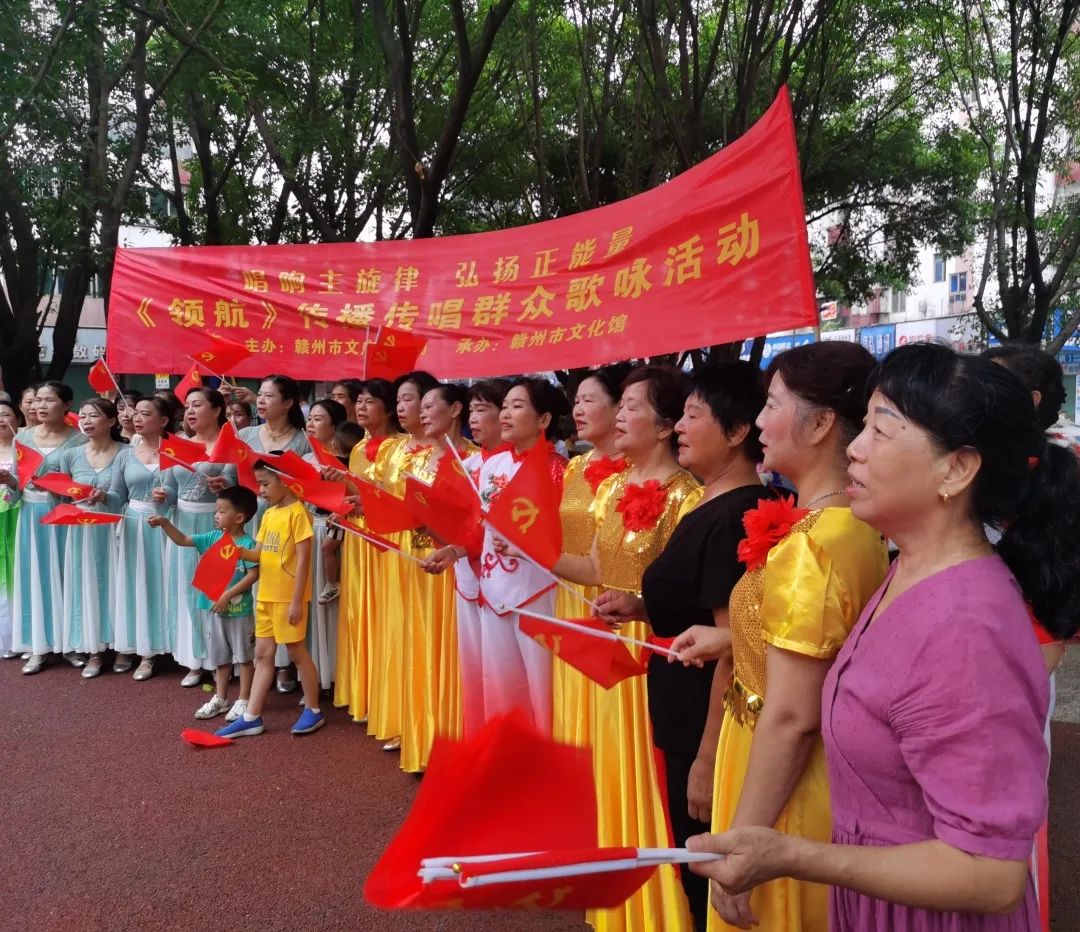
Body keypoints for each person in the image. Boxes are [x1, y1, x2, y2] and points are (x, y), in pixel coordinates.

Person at [688, 343, 1078, 931]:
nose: (854, 448)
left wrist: (794, 855)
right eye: (864, 424)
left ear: (957, 469)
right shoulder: (910, 569)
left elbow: (991, 875)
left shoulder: (967, 627)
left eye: (881, 430)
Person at [672, 342, 887, 931]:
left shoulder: (813, 546)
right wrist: (730, 639)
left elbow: (792, 715)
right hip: (780, 765)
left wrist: (745, 841)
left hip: (779, 782)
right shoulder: (838, 526)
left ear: (819, 424)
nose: (760, 421)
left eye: (772, 405)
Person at [593, 362, 773, 932]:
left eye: (694, 416)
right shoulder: (708, 504)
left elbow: (733, 645)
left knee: (702, 860)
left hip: (701, 718)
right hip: (677, 703)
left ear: (737, 431)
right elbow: (703, 608)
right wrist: (641, 606)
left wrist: (706, 758)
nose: (681, 427)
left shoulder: (735, 515)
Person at [553, 365, 701, 932]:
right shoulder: (612, 487)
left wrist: (640, 606)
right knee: (612, 763)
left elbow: (687, 597)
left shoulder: (686, 497)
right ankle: (619, 894)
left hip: (655, 648)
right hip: (611, 641)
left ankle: (662, 907)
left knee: (651, 768)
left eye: (632, 406)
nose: (619, 415)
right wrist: (526, 547)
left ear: (665, 426)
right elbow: (595, 567)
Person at [425, 378, 569, 735]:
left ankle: (545, 760)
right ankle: (507, 754)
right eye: (504, 406)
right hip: (494, 588)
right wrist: (454, 550)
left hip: (537, 590)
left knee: (542, 684)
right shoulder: (491, 466)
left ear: (544, 419)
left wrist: (529, 545)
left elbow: (565, 537)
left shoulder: (558, 470)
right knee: (499, 682)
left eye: (517, 406)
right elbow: (480, 530)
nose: (506, 414)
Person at [422, 378, 510, 738]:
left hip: (510, 582)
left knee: (509, 672)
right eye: (471, 409)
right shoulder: (466, 463)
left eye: (482, 409)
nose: (474, 418)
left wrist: (457, 545)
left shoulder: (527, 465)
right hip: (468, 576)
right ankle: (480, 739)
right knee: (476, 668)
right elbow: (455, 522)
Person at [397, 382, 477, 771]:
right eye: (422, 407)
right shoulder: (420, 458)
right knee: (424, 648)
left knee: (456, 654)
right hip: (422, 562)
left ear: (456, 409)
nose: (423, 413)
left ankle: (457, 742)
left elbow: (476, 525)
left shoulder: (474, 461)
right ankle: (426, 737)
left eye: (431, 406)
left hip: (458, 567)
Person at [216, 458, 323, 737]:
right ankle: (252, 716)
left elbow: (304, 559)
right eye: (259, 484)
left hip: (288, 597)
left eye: (264, 484)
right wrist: (238, 551)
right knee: (263, 654)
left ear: (284, 481)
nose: (260, 490)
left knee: (297, 652)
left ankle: (313, 709)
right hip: (266, 595)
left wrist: (297, 601)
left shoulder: (298, 513)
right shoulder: (269, 514)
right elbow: (259, 554)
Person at [554, 363, 631, 748]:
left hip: (618, 606)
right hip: (572, 594)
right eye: (576, 401)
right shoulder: (575, 467)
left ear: (620, 407)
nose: (578, 410)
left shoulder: (637, 472)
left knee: (613, 716)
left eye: (588, 400)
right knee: (576, 704)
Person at [367, 370, 441, 755]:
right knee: (399, 633)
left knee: (431, 638)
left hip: (434, 553)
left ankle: (435, 724)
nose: (402, 406)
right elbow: (380, 495)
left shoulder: (456, 454)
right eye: (399, 399)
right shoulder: (391, 449)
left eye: (409, 399)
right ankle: (405, 719)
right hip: (396, 552)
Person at [324, 378, 399, 730]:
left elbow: (393, 499)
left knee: (385, 615)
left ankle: (389, 696)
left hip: (387, 537)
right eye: (361, 402)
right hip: (358, 537)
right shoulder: (357, 449)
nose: (362, 407)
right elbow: (356, 493)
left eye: (371, 402)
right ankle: (365, 692)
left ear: (389, 408)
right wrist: (339, 492)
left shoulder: (401, 448)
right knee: (359, 611)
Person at [150, 486, 260, 721]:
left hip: (240, 612)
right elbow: (182, 540)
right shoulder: (212, 538)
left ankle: (244, 700)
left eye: (222, 511)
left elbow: (253, 575)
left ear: (239, 517)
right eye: (216, 511)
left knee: (244, 658)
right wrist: (165, 523)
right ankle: (221, 698)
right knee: (220, 658)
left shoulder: (248, 545)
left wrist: (227, 595)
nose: (216, 515)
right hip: (216, 611)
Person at [157, 387, 235, 686]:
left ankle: (222, 658)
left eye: (197, 405)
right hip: (183, 523)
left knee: (215, 588)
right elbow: (170, 489)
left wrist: (224, 484)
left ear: (216, 410)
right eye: (187, 406)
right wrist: (162, 495)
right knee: (186, 588)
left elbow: (238, 484)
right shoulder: (177, 445)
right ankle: (194, 658)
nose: (190, 411)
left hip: (215, 523)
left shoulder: (228, 445)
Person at [239, 375, 311, 692]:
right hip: (252, 516)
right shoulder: (245, 435)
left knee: (285, 585)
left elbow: (308, 485)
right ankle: (258, 661)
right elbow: (234, 475)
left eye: (269, 396)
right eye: (260, 395)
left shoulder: (303, 440)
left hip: (286, 521)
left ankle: (286, 666)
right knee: (258, 586)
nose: (261, 400)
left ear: (288, 402)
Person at [13, 381, 87, 674]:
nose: (40, 406)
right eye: (37, 400)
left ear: (67, 405)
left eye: (49, 400)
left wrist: (57, 489)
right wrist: (10, 483)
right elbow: (18, 482)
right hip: (31, 514)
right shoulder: (23, 437)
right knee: (35, 576)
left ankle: (71, 643)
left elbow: (80, 485)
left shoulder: (79, 440)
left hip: (63, 514)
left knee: (67, 574)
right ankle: (38, 645)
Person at [59, 398, 125, 678]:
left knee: (118, 583)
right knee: (85, 585)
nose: (86, 421)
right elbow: (63, 496)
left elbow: (128, 495)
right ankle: (94, 648)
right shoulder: (70, 455)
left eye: (93, 416)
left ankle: (123, 645)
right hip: (82, 529)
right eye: (83, 416)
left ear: (111, 421)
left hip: (115, 528)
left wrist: (106, 496)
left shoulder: (126, 452)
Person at [111, 397, 173, 680]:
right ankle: (145, 651)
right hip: (135, 524)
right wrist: (99, 496)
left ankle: (176, 645)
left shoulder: (177, 451)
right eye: (135, 413)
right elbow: (117, 495)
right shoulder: (125, 454)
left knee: (168, 582)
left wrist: (169, 496)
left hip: (168, 524)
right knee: (138, 584)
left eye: (145, 414)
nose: (137, 418)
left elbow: (186, 490)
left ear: (163, 421)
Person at [303, 397, 349, 692]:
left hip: (338, 530)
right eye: (310, 418)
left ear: (335, 427)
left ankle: (339, 674)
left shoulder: (347, 459)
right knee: (313, 604)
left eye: (319, 419)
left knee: (336, 606)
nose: (311, 424)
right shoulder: (306, 459)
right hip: (310, 531)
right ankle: (315, 674)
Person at [0, 398, 22, 658]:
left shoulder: (23, 449)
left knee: (16, 571)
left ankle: (20, 636)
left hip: (17, 513)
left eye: (5, 414)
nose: (1, 420)